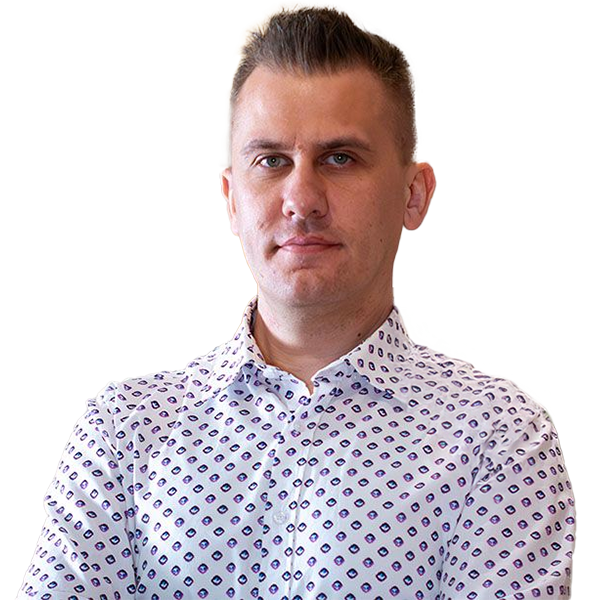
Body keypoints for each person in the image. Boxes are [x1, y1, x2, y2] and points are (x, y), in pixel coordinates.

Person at [18, 7, 576, 599]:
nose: (302, 198)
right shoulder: (124, 432)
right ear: (232, 200)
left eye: (340, 158)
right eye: (272, 161)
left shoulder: (497, 436)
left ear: (413, 195)